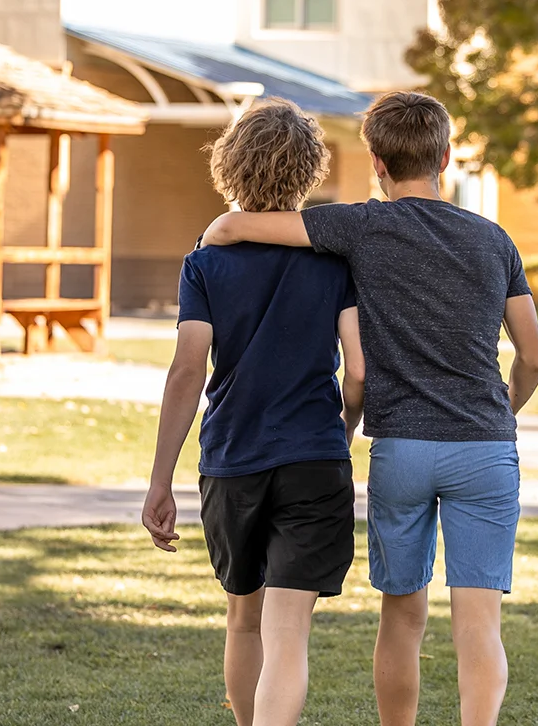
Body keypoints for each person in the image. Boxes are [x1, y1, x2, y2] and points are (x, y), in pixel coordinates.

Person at [200, 90, 538, 726]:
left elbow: (242, 225)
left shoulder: (361, 225)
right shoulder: (494, 240)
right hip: (485, 448)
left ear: (377, 163)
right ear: (445, 156)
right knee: (479, 623)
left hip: (402, 449)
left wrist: (215, 230)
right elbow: (533, 355)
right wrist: (505, 408)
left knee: (403, 615)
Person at [141, 100, 364, 726]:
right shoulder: (334, 260)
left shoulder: (206, 260)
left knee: (244, 620)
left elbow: (189, 369)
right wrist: (339, 429)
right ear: (310, 170)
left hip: (233, 459)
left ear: (230, 163)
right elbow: (361, 372)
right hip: (315, 458)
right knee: (288, 631)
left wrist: (160, 480)